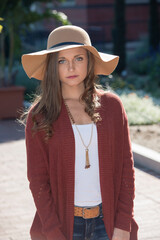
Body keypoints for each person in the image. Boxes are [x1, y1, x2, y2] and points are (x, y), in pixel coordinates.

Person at [21, 25, 138, 240]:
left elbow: (126, 170)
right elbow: (38, 181)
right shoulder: (40, 115)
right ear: (52, 66)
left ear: (89, 61)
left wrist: (123, 223)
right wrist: (53, 232)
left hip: (108, 223)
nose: (71, 67)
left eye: (79, 58)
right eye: (61, 61)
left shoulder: (112, 107)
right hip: (64, 225)